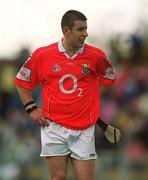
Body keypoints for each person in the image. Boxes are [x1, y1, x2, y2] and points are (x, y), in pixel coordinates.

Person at [14, 10, 118, 180]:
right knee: (58, 178)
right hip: (53, 126)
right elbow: (21, 81)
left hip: (84, 128)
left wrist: (92, 95)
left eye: (86, 29)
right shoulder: (43, 54)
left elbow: (109, 77)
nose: (85, 34)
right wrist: (31, 108)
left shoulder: (96, 55)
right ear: (66, 30)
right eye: (80, 29)